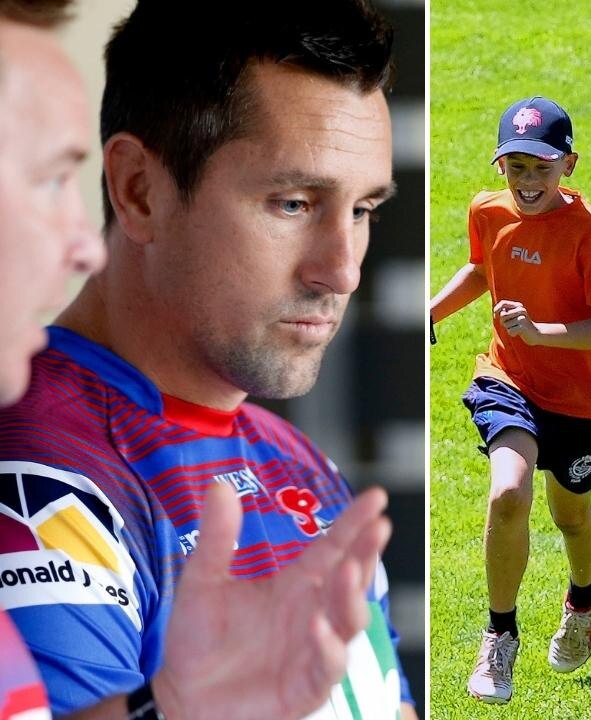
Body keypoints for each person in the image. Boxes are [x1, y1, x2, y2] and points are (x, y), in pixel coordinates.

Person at [0, 1, 418, 718]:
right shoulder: (40, 465)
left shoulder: (295, 459)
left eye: (362, 210)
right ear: (139, 191)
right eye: (293, 203)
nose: (342, 270)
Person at [430, 95, 591, 704]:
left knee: (571, 517)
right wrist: (431, 311)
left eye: (541, 167)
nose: (527, 180)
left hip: (583, 400)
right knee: (509, 491)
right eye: (515, 166)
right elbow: (481, 269)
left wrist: (541, 331)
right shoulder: (487, 212)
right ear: (500, 167)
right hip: (508, 379)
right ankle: (500, 635)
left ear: (569, 164)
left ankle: (587, 594)